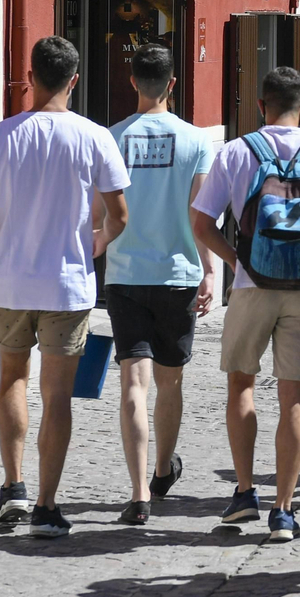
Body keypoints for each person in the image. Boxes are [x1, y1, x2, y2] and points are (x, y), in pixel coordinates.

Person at [0, 36, 130, 537]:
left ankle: (13, 487)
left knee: (12, 377)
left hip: (10, 280)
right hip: (67, 283)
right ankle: (47, 506)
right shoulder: (95, 137)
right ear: (74, 81)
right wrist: (97, 241)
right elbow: (119, 215)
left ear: (29, 77)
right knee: (57, 396)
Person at [190, 67, 300, 543]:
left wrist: (234, 259)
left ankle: (245, 492)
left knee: (240, 387)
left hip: (250, 286)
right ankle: (284, 509)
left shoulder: (236, 152)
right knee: (296, 398)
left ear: (259, 104)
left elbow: (202, 222)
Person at [100, 45, 216, 526]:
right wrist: (209, 269)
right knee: (170, 381)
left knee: (132, 383)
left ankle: (138, 492)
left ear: (133, 82)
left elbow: (100, 216)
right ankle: (164, 468)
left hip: (126, 274)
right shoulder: (197, 142)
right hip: (177, 275)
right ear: (173, 83)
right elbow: (200, 216)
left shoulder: (112, 138)